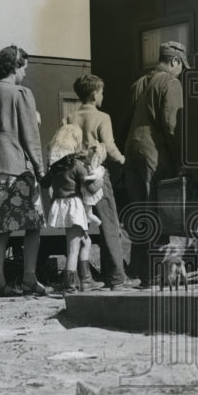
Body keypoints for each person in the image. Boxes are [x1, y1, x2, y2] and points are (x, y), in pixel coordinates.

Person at [0, 45, 48, 297]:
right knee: (34, 225)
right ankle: (29, 278)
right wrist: (40, 166)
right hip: (18, 167)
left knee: (0, 227)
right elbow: (30, 135)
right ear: (15, 66)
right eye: (24, 68)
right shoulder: (21, 93)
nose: (25, 73)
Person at [122, 41, 188, 287]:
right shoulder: (170, 82)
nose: (181, 71)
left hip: (133, 149)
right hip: (154, 153)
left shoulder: (140, 82)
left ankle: (142, 273)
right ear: (174, 61)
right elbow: (173, 125)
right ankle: (158, 274)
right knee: (158, 213)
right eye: (181, 66)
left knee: (141, 213)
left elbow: (127, 120)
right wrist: (182, 161)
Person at [68, 74, 140, 290]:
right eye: (101, 92)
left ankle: (84, 278)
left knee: (80, 226)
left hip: (75, 173)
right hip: (96, 174)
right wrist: (124, 161)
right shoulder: (102, 117)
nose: (102, 96)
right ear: (94, 94)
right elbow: (108, 146)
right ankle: (117, 278)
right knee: (109, 224)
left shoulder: (70, 117)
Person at [46, 123, 103, 293]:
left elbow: (45, 183)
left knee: (86, 241)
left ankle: (86, 280)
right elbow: (91, 187)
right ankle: (70, 285)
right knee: (73, 248)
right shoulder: (76, 165)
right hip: (74, 207)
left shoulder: (55, 167)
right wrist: (101, 177)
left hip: (62, 206)